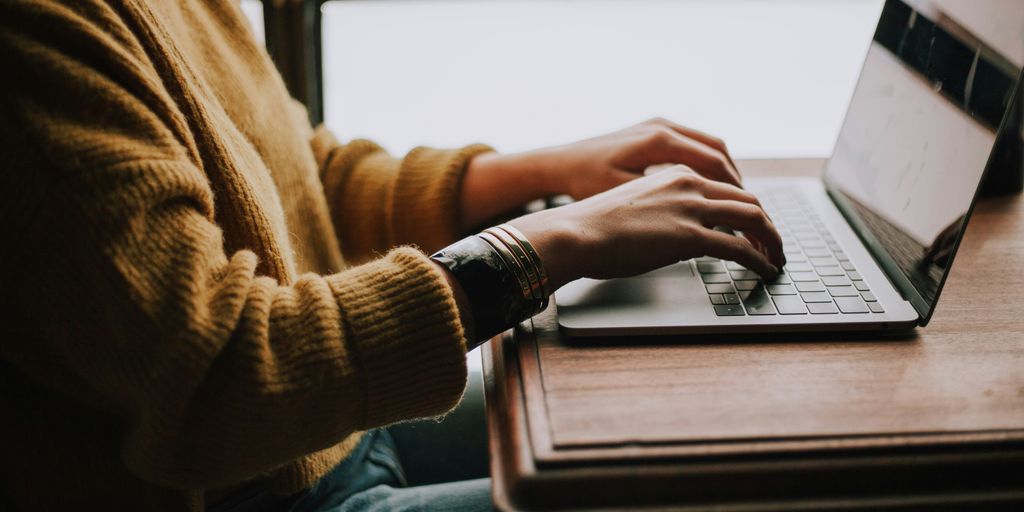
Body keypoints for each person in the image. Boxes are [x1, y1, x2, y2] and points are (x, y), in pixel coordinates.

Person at [0, 1, 784, 510]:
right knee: (711, 496)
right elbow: (217, 379)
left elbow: (297, 180)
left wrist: (545, 173)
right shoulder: (34, 35)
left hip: (331, 430)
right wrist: (549, 244)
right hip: (251, 487)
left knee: (728, 433)